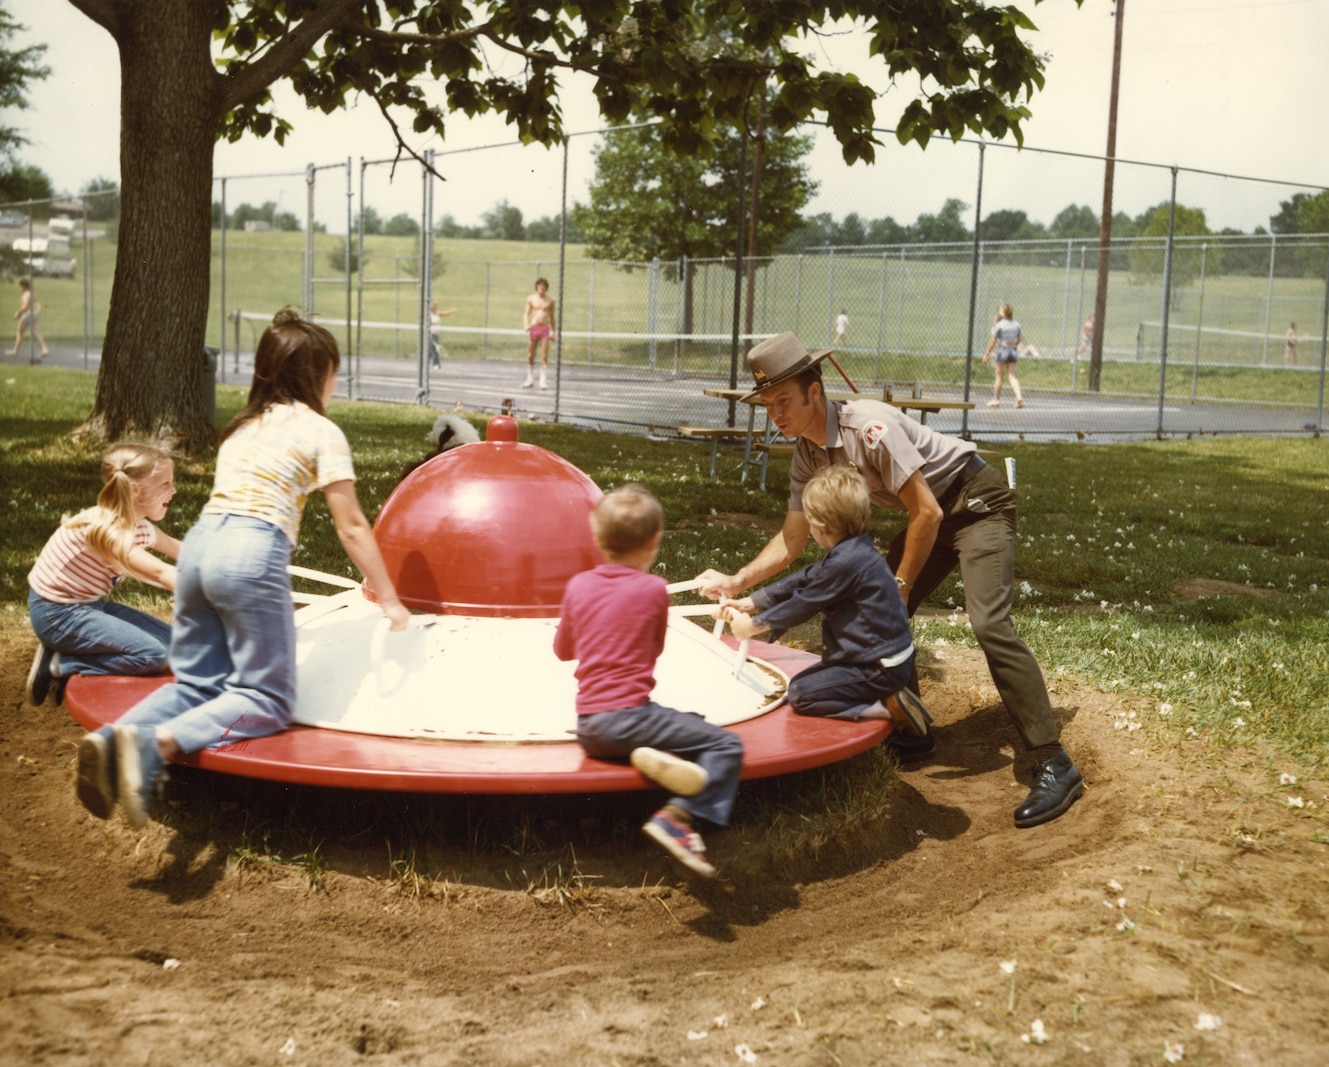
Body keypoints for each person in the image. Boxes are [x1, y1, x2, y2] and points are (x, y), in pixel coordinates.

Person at [696, 332, 1084, 829]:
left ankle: (1053, 760)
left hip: (974, 504)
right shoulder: (807, 456)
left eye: (783, 400)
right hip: (931, 516)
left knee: (988, 623)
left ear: (815, 392)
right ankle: (913, 730)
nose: (775, 413)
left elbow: (926, 512)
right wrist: (736, 580)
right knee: (876, 605)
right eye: (768, 404)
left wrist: (899, 587)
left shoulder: (870, 426)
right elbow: (792, 539)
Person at [73, 308, 411, 827]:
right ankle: (157, 743)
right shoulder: (321, 431)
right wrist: (388, 597)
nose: (336, 381)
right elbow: (352, 527)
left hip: (202, 549)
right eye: (334, 371)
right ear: (317, 376)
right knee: (267, 700)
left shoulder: (242, 429)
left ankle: (112, 739)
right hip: (251, 556)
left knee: (197, 686)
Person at [554, 484, 744, 879]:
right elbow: (653, 649)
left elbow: (562, 650)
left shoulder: (578, 586)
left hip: (590, 724)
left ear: (599, 539)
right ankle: (679, 817)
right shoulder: (654, 590)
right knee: (725, 743)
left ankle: (655, 758)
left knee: (689, 718)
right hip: (632, 717)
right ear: (654, 542)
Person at [717, 466, 931, 736]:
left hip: (877, 667)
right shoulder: (854, 548)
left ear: (818, 526)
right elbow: (807, 577)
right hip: (881, 659)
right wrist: (752, 601)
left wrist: (754, 625)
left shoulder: (845, 563)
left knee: (801, 695)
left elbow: (804, 603)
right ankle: (883, 697)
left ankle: (886, 707)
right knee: (803, 682)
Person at [26, 442, 181, 707]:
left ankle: (69, 651)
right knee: (153, 656)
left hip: (89, 605)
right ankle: (59, 662)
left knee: (176, 646)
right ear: (136, 489)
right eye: (165, 483)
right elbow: (164, 573)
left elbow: (182, 551)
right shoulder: (109, 532)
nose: (174, 490)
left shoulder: (137, 525)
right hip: (56, 614)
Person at [982, 304, 1025, 409]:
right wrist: (1014, 345)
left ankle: (996, 400)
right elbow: (1020, 339)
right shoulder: (1017, 324)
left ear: (1003, 313)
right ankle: (1019, 397)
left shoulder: (1000, 325)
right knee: (1012, 376)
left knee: (999, 376)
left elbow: (993, 340)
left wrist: (987, 353)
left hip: (1003, 349)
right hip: (1013, 350)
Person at [522, 277, 555, 389]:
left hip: (544, 329)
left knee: (544, 355)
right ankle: (530, 379)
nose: (542, 287)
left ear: (546, 288)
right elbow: (526, 313)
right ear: (537, 286)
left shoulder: (550, 300)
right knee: (531, 354)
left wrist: (553, 332)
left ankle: (542, 381)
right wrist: (526, 325)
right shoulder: (531, 298)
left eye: (544, 286)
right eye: (540, 285)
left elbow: (552, 317)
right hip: (534, 328)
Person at [11, 279, 48, 361]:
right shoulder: (33, 294)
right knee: (36, 332)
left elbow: (26, 306)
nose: (20, 288)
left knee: (19, 332)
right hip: (33, 315)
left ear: (24, 286)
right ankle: (44, 349)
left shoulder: (26, 295)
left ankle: (15, 351)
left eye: (20, 286)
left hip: (27, 315)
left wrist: (18, 312)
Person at [427, 300, 456, 369]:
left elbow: (446, 313)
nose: (437, 307)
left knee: (432, 350)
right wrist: (430, 335)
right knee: (434, 350)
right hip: (431, 334)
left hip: (436, 334)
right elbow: (428, 326)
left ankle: (425, 360)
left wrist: (452, 310)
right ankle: (436, 364)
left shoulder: (437, 313)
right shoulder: (429, 315)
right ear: (432, 307)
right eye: (435, 306)